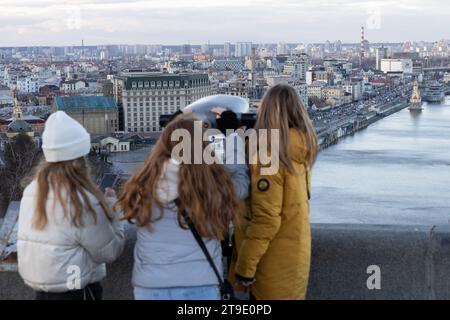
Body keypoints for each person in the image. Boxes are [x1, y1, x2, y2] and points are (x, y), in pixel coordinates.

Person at [115, 114, 240, 300]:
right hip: (200, 283)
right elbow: (239, 184)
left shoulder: (141, 186)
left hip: (151, 286)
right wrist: (232, 137)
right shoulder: (213, 188)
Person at [17, 111, 126, 300]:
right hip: (77, 292)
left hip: (40, 293)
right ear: (81, 158)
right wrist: (113, 208)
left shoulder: (32, 191)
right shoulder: (80, 200)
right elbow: (110, 251)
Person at [230, 84, 319, 300]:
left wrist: (245, 267)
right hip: (294, 258)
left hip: (270, 265)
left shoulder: (268, 156)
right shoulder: (298, 148)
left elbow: (267, 219)